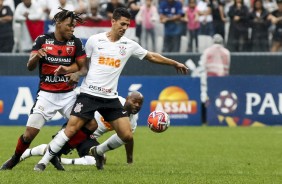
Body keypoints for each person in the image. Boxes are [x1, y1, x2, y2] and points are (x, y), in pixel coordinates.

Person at [33, 7, 189, 171]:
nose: (124, 28)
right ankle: (43, 161)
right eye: (122, 24)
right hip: (89, 94)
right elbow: (83, 67)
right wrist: (73, 72)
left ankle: (98, 151)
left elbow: (151, 56)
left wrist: (174, 63)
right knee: (71, 128)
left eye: (127, 25)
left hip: (110, 98)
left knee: (127, 135)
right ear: (113, 21)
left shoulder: (129, 45)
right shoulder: (95, 40)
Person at [0, 8, 89, 171]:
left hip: (69, 95)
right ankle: (15, 158)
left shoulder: (75, 42)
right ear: (58, 23)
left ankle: (56, 151)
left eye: (74, 26)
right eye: (69, 25)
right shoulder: (42, 40)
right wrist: (36, 56)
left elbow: (84, 68)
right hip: (47, 96)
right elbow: (29, 66)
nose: (72, 29)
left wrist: (73, 72)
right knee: (28, 135)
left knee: (90, 125)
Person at [20, 92, 144, 165]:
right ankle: (28, 152)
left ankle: (63, 160)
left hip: (90, 138)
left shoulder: (133, 119)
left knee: (100, 158)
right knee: (52, 149)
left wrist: (129, 160)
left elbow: (127, 138)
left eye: (140, 103)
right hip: (80, 128)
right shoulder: (113, 102)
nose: (137, 105)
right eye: (134, 101)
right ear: (127, 99)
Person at [192, 34, 230, 123]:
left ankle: (204, 118)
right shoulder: (226, 52)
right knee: (218, 98)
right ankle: (217, 117)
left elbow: (202, 64)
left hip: (209, 78)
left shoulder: (207, 51)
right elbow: (227, 67)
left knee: (205, 97)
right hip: (221, 79)